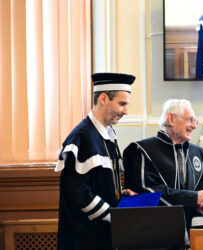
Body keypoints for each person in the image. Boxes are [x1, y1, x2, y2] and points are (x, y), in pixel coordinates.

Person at [55, 73, 136, 250]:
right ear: (103, 98)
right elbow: (77, 193)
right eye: (122, 104)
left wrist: (119, 194)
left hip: (105, 234)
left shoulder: (107, 134)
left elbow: (98, 182)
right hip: (85, 239)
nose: (126, 111)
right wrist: (112, 215)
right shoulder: (82, 136)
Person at [123, 99, 203, 230]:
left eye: (195, 121)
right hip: (152, 231)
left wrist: (201, 205)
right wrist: (193, 198)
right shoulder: (140, 150)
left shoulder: (198, 153)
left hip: (191, 233)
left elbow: (199, 193)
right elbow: (146, 193)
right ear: (171, 119)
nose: (194, 126)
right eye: (189, 120)